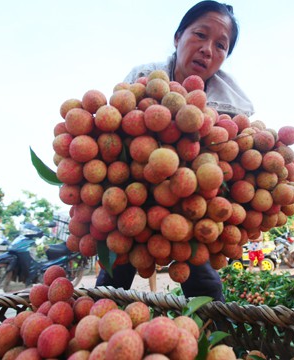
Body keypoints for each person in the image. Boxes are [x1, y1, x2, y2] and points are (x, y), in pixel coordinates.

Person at [96, 0, 254, 302]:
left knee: (205, 286)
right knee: (112, 281)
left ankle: (218, 338)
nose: (208, 49)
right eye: (200, 35)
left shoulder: (234, 104)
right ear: (177, 37)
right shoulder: (144, 77)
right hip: (132, 193)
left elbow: (236, 163)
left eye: (221, 45)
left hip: (193, 208)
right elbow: (111, 132)